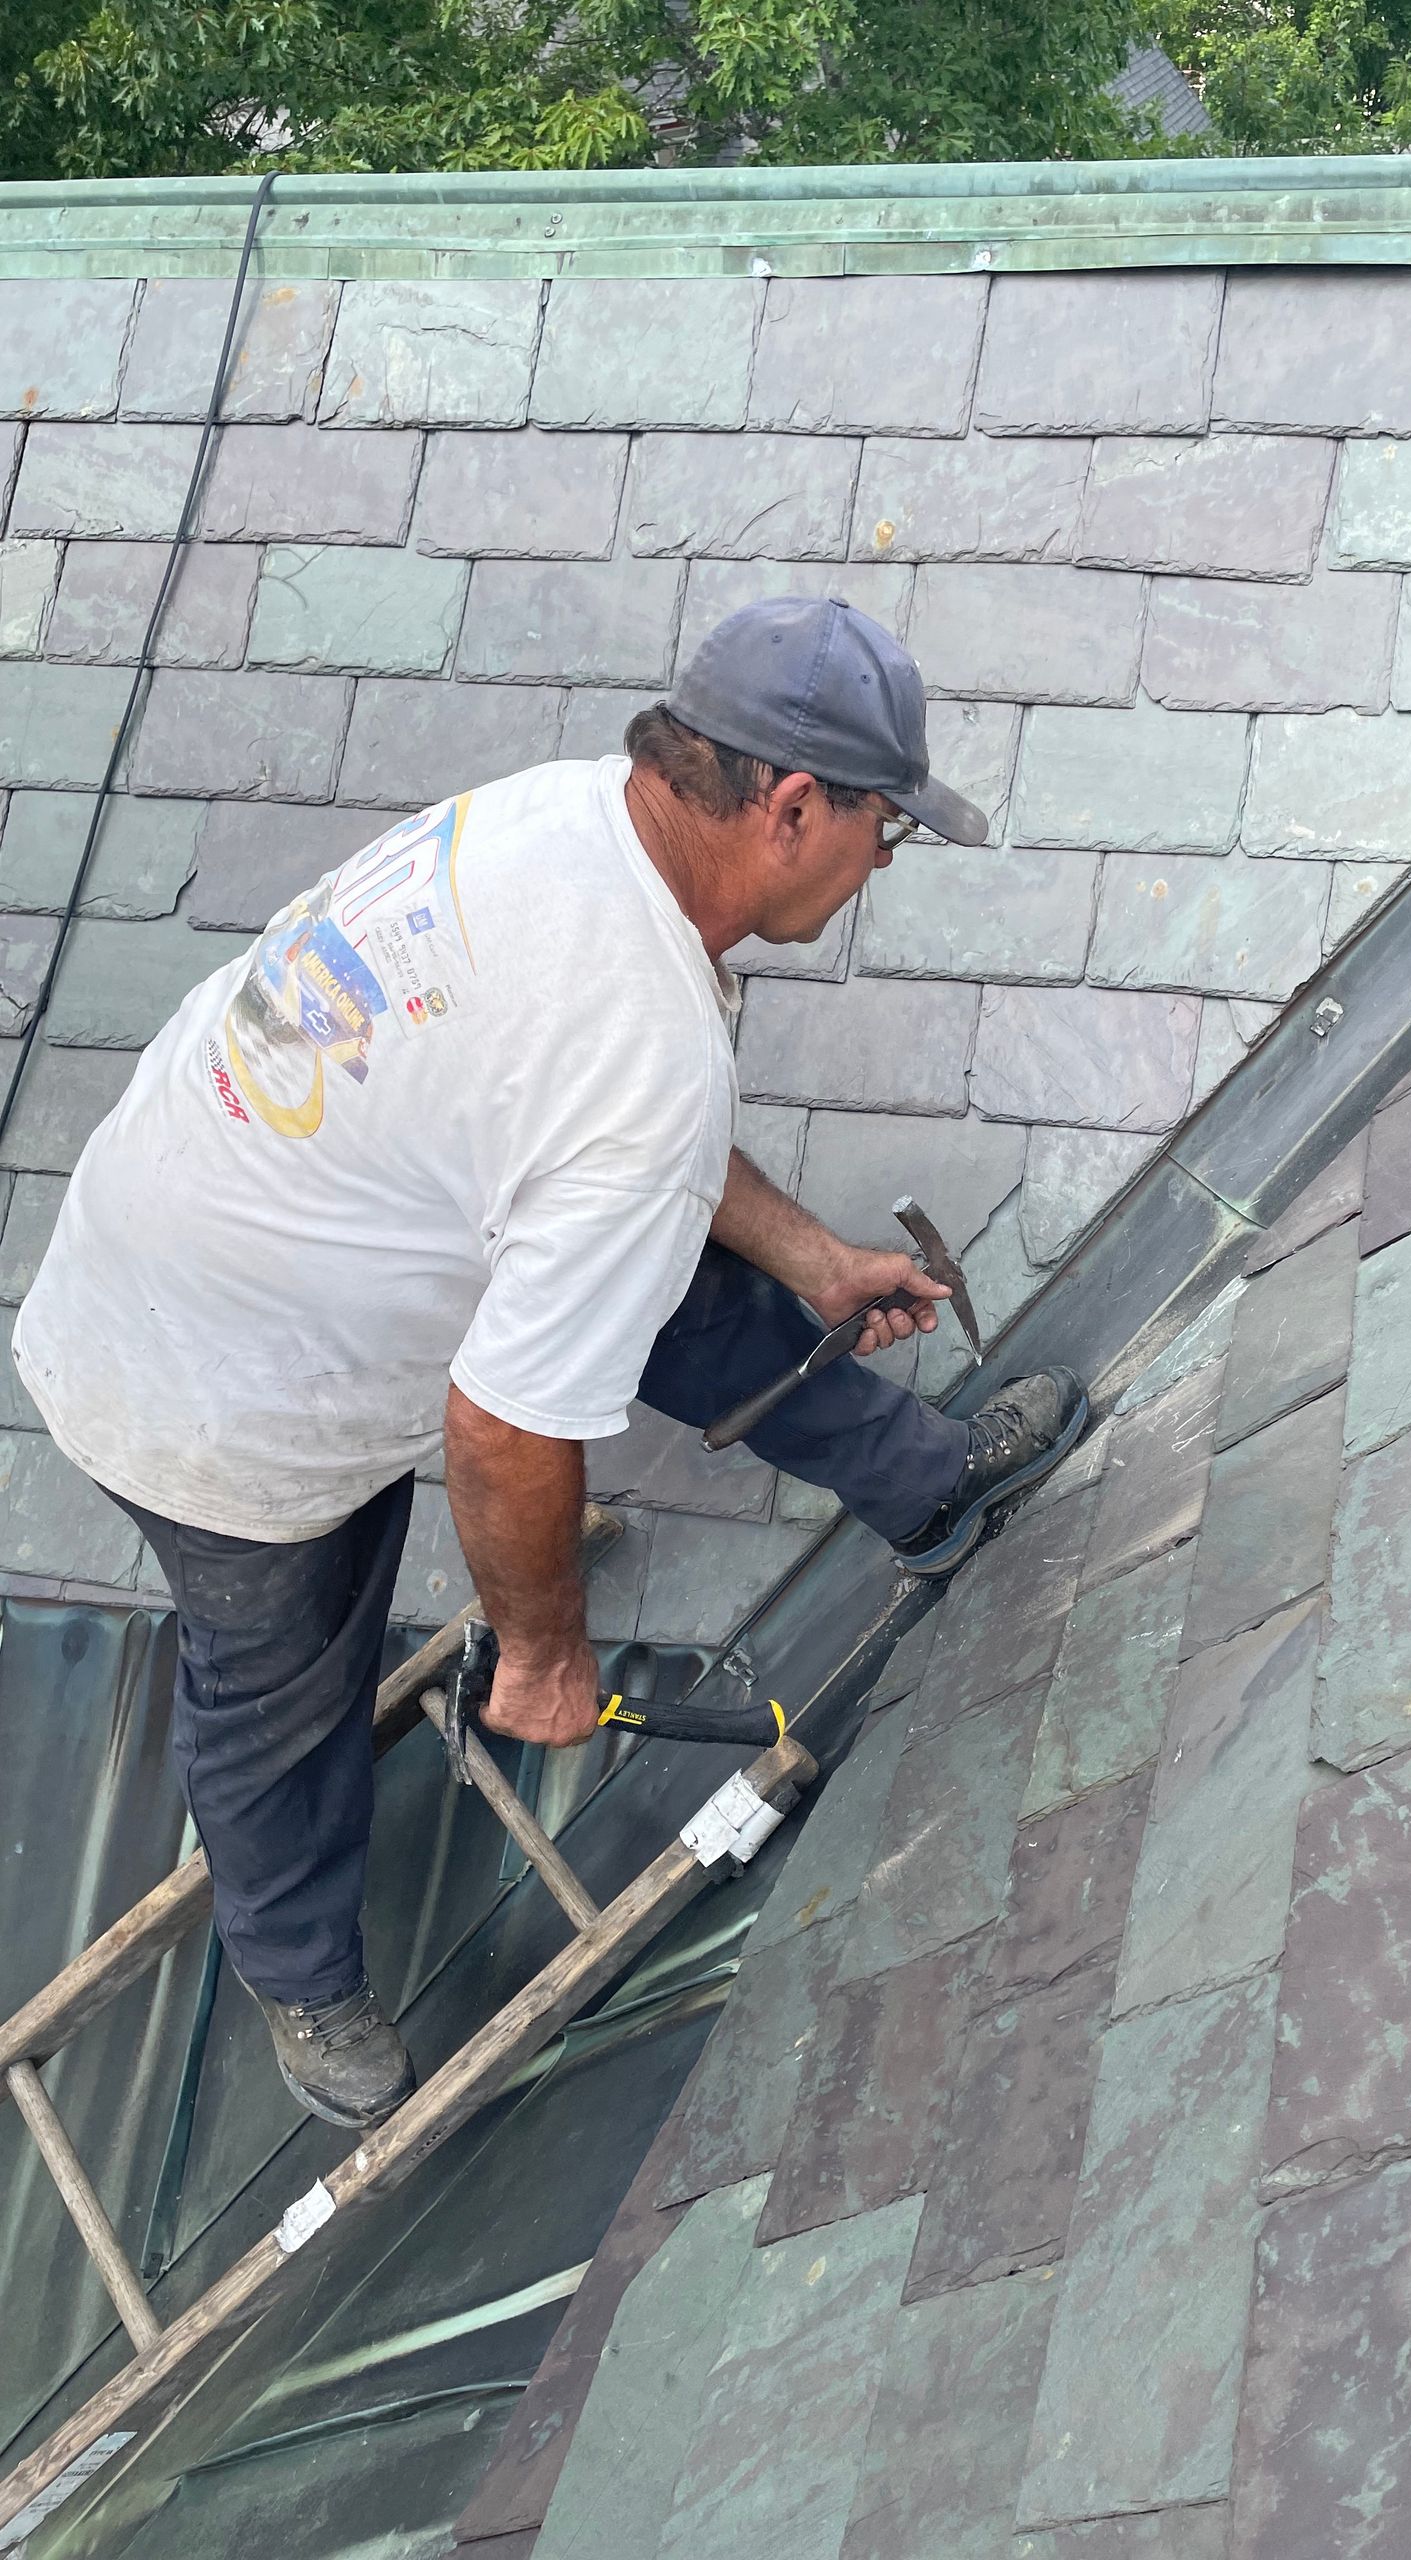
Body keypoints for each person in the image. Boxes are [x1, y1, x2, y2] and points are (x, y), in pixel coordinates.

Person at [13, 596, 1086, 2133]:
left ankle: (923, 1486)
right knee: (279, 1682)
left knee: (656, 1280)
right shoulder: (626, 1028)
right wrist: (544, 1657)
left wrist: (812, 1260)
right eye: (885, 833)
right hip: (209, 1378)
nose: (881, 868)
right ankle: (305, 1975)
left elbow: (611, 1156)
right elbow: (507, 1428)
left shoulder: (586, 826)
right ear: (790, 808)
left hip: (257, 1221)